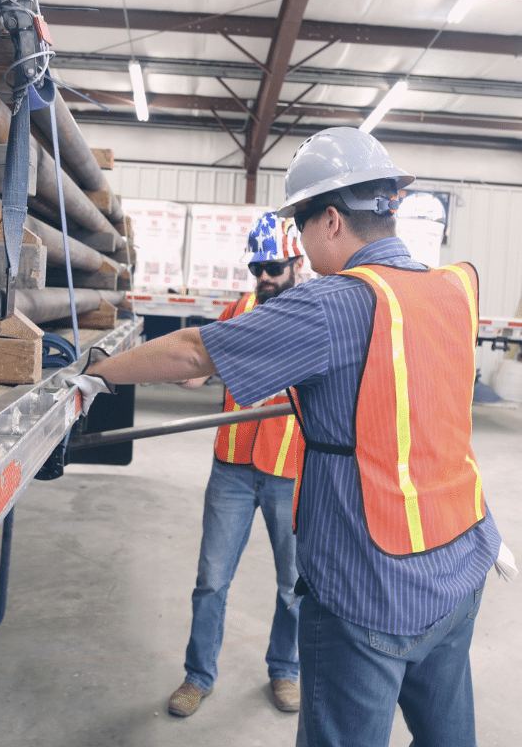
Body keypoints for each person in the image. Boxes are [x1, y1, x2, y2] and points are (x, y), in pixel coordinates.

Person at [74, 127, 502, 747]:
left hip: (373, 587)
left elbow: (196, 351)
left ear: (330, 220)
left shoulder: (336, 304)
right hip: (460, 564)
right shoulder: (456, 288)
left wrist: (93, 376)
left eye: (299, 229)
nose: (296, 247)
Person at [166, 212, 305, 717]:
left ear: (295, 262)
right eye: (257, 269)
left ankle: (285, 670)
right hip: (231, 465)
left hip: (290, 469)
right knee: (211, 580)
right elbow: (201, 368)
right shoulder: (242, 307)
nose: (264, 278)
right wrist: (173, 369)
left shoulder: (314, 311)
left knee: (294, 584)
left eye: (272, 267)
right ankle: (197, 676)